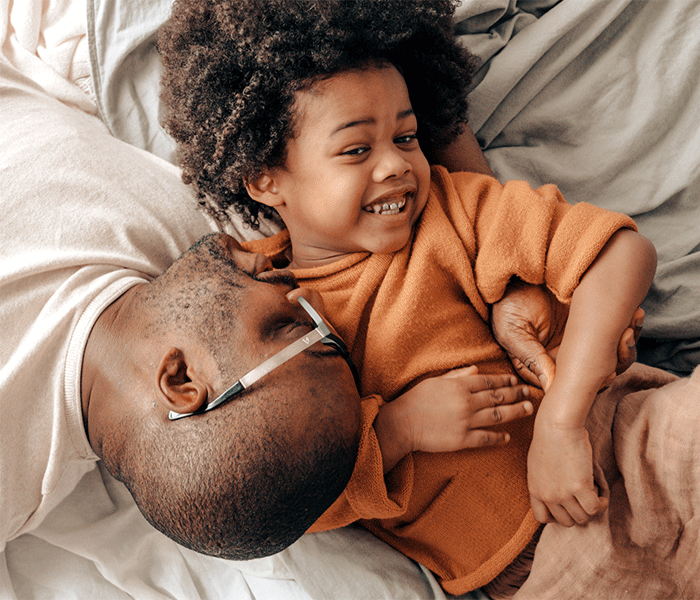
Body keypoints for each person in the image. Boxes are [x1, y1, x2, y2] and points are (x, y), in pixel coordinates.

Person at [0, 33, 575, 565]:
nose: (298, 292)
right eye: (297, 328)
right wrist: (514, 276)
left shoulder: (215, 266)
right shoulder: (226, 263)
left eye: (297, 330)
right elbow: (377, 97)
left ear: (181, 379)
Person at [157, 0, 668, 595]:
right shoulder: (268, 313)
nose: (396, 165)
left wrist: (562, 421)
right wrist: (398, 430)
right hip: (532, 577)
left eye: (407, 136)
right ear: (265, 177)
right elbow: (273, 502)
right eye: (356, 150)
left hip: (631, 448)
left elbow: (621, 252)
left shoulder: (451, 211)